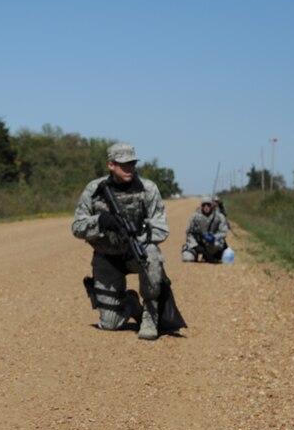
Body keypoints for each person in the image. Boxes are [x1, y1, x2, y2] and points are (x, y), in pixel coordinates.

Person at [71, 143, 169, 340]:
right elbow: (77, 228)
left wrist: (139, 234)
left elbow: (161, 229)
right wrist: (100, 221)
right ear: (111, 165)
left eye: (132, 164)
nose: (129, 169)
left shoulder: (148, 189)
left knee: (151, 253)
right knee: (110, 324)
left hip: (136, 253)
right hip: (107, 257)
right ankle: (131, 304)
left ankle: (150, 314)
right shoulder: (95, 189)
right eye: (124, 165)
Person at [181, 196, 229, 263]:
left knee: (217, 245)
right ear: (201, 206)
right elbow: (189, 233)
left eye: (208, 205)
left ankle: (210, 255)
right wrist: (195, 245)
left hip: (211, 244)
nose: (206, 207)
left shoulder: (219, 216)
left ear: (211, 206)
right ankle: (195, 254)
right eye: (204, 205)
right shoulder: (195, 216)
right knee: (187, 257)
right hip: (197, 243)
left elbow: (223, 232)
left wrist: (214, 237)